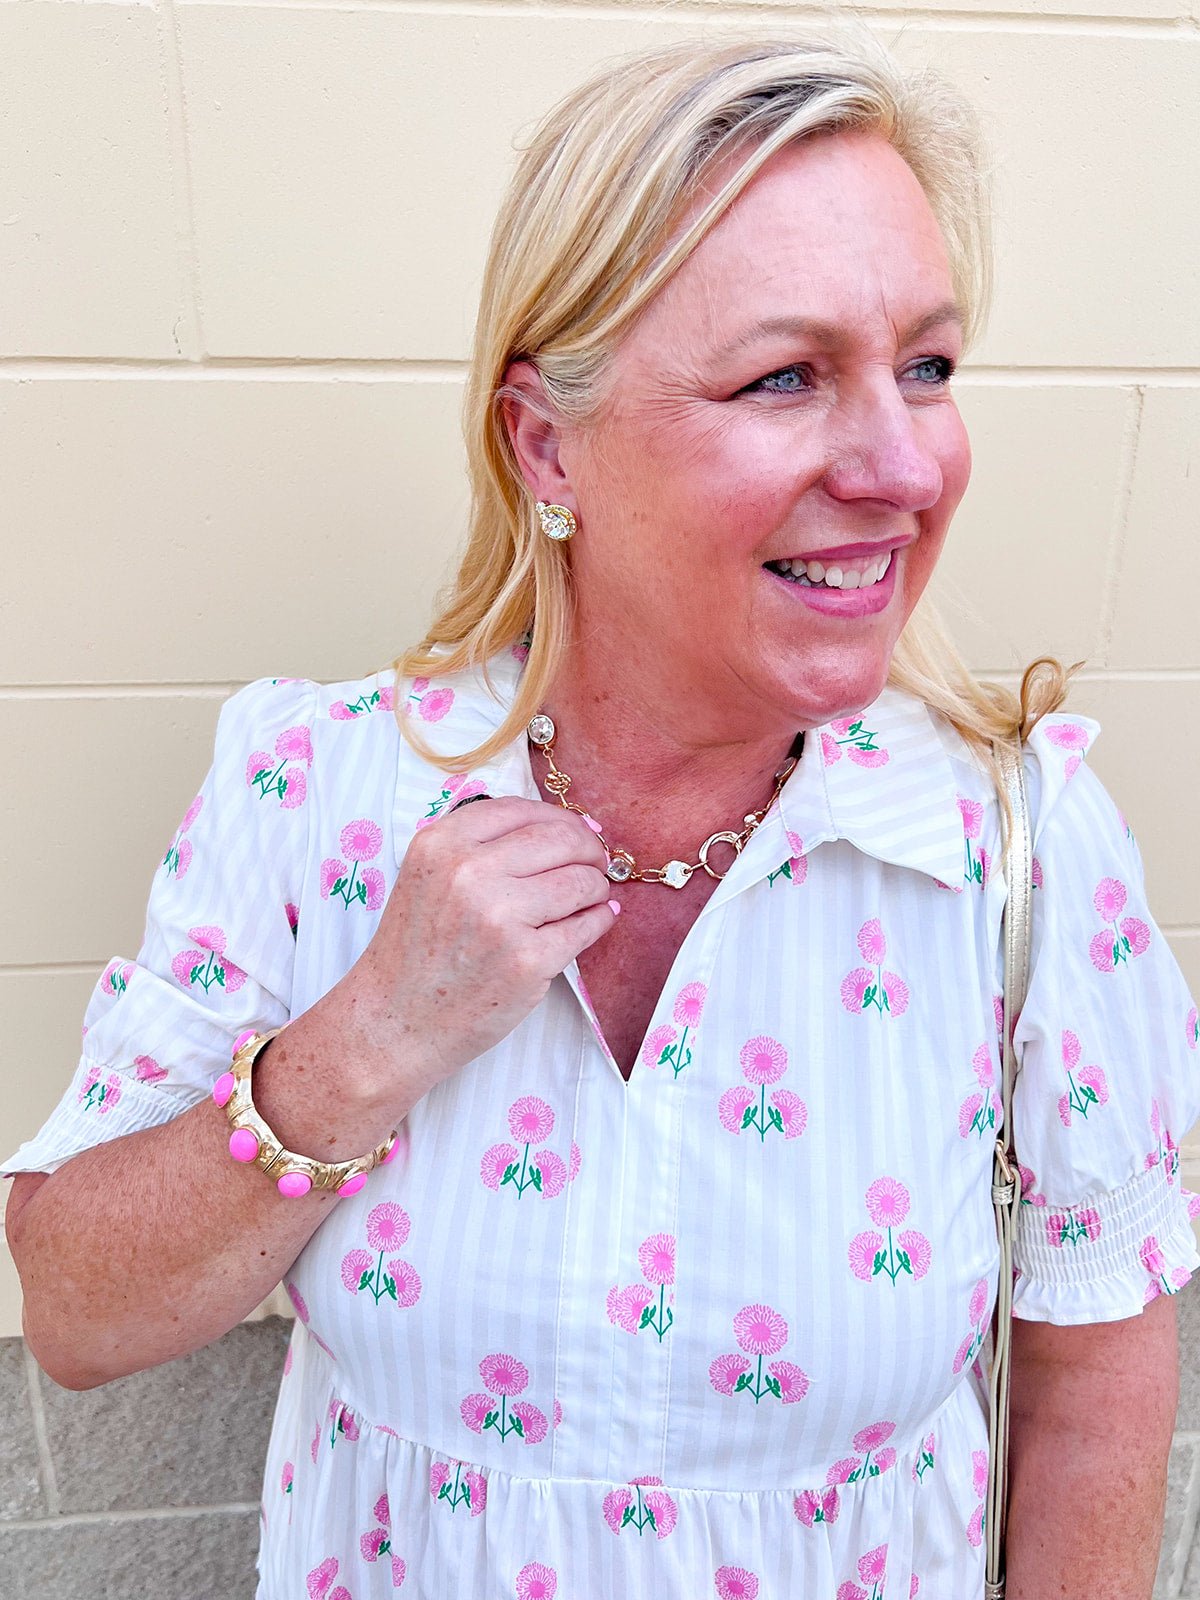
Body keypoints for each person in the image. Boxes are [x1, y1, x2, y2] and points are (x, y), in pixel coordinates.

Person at [5, 28, 1197, 1600]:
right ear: (546, 442)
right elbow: (81, 1319)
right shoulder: (317, 789)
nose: (909, 464)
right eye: (786, 376)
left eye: (927, 364)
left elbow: (1092, 1389)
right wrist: (365, 1043)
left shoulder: (1011, 846)